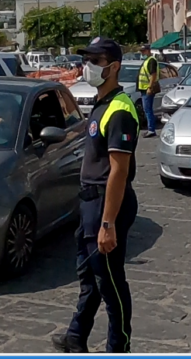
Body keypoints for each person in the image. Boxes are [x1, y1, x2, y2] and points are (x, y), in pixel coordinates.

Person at [52, 36, 139, 354]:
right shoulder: (102, 103)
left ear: (114, 67)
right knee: (89, 275)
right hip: (91, 201)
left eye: (96, 61)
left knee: (110, 281)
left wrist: (108, 223)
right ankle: (76, 336)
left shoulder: (119, 110)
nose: (87, 66)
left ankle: (120, 346)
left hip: (106, 201)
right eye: (86, 59)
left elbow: (118, 170)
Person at [137, 44, 158, 138]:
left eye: (144, 51)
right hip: (144, 88)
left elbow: (153, 75)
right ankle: (151, 129)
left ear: (149, 50)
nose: (142, 53)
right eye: (141, 51)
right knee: (147, 109)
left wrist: (149, 87)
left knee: (148, 109)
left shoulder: (151, 60)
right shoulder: (147, 60)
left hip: (147, 89)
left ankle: (151, 130)